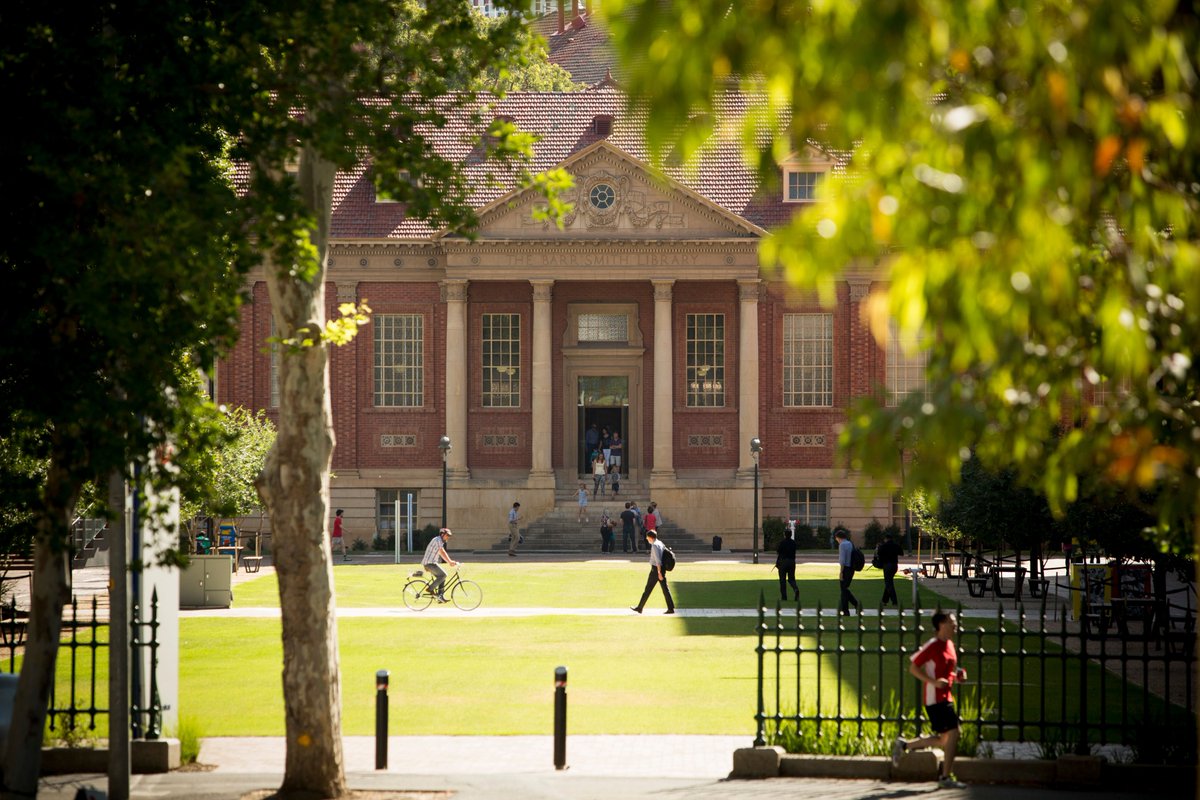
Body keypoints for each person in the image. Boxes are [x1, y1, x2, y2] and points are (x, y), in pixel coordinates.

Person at [892, 611, 968, 789]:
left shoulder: (949, 644)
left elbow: (947, 671)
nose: (955, 625)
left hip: (946, 697)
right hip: (935, 698)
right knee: (954, 732)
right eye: (952, 622)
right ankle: (945, 777)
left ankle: (903, 745)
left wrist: (958, 677)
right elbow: (913, 668)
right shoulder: (933, 645)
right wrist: (933, 682)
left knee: (944, 740)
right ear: (941, 624)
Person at [630, 530, 675, 614]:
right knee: (665, 589)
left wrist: (659, 573)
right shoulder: (659, 542)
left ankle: (640, 608)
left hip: (656, 570)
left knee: (648, 589)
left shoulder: (654, 545)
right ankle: (671, 608)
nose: (647, 539)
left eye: (647, 537)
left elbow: (658, 560)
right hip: (660, 569)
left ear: (650, 537)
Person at [421, 528, 458, 603]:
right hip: (429, 564)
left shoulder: (439, 540)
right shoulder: (438, 540)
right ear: (442, 534)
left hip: (432, 563)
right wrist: (450, 561)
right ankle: (430, 589)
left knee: (442, 577)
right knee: (443, 575)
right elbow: (442, 551)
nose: (448, 537)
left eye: (449, 536)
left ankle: (440, 596)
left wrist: (449, 562)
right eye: (447, 535)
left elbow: (441, 553)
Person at [835, 528, 862, 615]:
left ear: (838, 537)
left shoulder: (842, 545)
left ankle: (853, 606)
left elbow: (842, 560)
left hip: (846, 569)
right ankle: (845, 610)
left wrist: (841, 572)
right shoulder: (850, 543)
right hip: (851, 569)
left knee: (844, 590)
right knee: (844, 589)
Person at [876, 532, 904, 607]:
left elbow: (878, 555)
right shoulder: (896, 545)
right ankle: (884, 600)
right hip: (894, 565)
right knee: (889, 583)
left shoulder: (883, 546)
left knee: (889, 584)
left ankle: (894, 601)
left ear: (886, 539)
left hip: (887, 566)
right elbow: (901, 553)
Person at [775, 527, 798, 602]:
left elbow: (778, 552)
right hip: (792, 562)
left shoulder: (782, 542)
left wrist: (777, 562)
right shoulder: (793, 543)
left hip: (783, 562)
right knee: (791, 579)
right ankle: (795, 589)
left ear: (785, 535)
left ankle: (784, 597)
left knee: (782, 580)